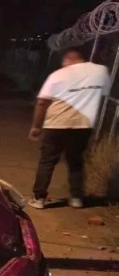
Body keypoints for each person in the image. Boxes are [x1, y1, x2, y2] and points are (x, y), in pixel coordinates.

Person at [28, 47, 111, 209]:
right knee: (76, 161)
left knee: (47, 161)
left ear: (68, 60)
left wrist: (36, 126)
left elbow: (42, 102)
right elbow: (104, 94)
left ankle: (39, 198)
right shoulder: (101, 71)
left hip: (55, 124)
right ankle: (76, 198)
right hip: (83, 125)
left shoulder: (58, 75)